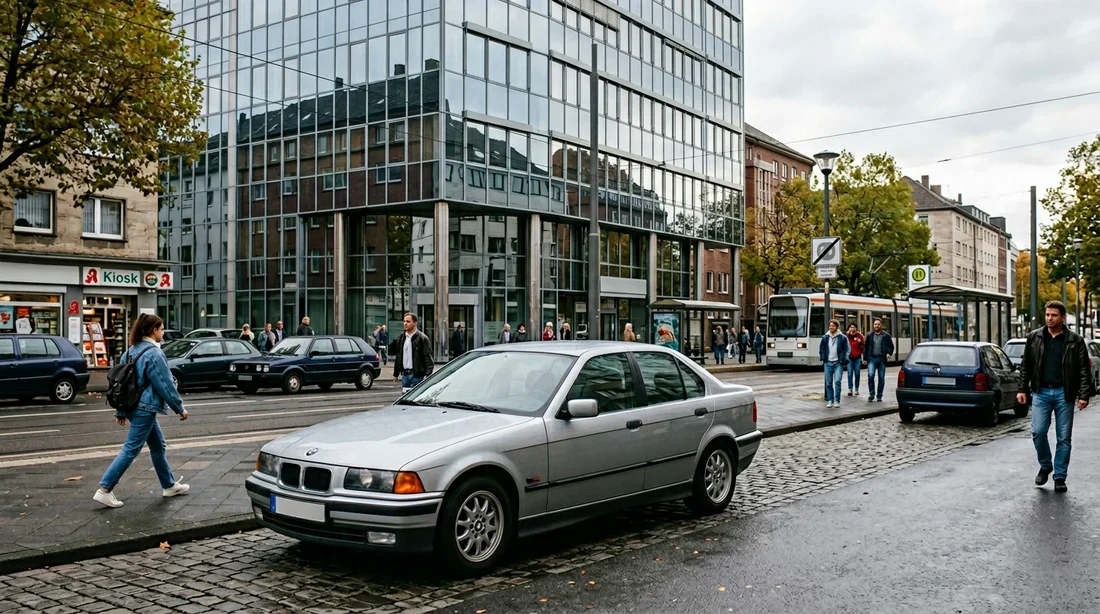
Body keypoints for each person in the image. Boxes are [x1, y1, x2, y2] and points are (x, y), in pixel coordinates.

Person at [94, 314, 189, 509]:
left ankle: (169, 485)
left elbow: (120, 382)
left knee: (158, 446)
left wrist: (120, 411)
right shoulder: (154, 353)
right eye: (161, 329)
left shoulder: (130, 351)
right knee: (131, 449)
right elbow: (164, 384)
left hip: (132, 406)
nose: (163, 332)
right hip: (145, 408)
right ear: (154, 330)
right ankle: (104, 489)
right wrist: (179, 407)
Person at [1017, 301, 1091, 493]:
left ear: (1063, 317)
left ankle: (1060, 477)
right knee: (1038, 432)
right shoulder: (1035, 338)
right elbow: (1026, 365)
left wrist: (1083, 395)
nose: (1050, 318)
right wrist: (1022, 389)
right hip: (1040, 392)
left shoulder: (1075, 341)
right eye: (1048, 315)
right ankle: (1045, 465)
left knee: (1064, 438)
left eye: (1054, 315)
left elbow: (1084, 369)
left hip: (1064, 394)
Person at [392, 312, 433, 392]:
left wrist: (427, 375)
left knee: (417, 400)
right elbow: (399, 356)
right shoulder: (401, 338)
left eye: (408, 321)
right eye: (404, 321)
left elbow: (427, 357)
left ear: (415, 323)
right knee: (405, 399)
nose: (405, 324)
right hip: (405, 375)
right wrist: (396, 373)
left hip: (417, 376)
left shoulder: (422, 338)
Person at [818, 319, 850, 409]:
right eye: (830, 326)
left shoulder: (842, 337)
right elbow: (821, 349)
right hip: (828, 363)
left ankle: (837, 401)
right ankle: (830, 400)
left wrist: (845, 359)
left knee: (837, 381)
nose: (831, 327)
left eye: (833, 326)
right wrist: (823, 358)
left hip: (838, 363)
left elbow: (847, 349)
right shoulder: (825, 337)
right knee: (828, 383)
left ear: (837, 327)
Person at [865, 318, 894, 403]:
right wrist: (865, 358)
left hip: (882, 359)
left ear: (881, 325)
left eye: (878, 324)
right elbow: (866, 347)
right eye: (875, 324)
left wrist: (889, 353)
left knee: (881, 378)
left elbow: (891, 346)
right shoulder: (870, 335)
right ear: (873, 325)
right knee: (870, 376)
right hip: (872, 359)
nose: (876, 326)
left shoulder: (886, 336)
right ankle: (871, 395)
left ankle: (879, 396)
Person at [846, 324, 865, 397]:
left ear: (856, 328)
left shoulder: (859, 336)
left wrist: (860, 342)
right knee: (850, 373)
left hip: (857, 357)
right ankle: (850, 388)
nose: (852, 329)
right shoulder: (847, 336)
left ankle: (856, 388)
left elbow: (863, 346)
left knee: (857, 373)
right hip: (849, 358)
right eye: (851, 327)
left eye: (853, 327)